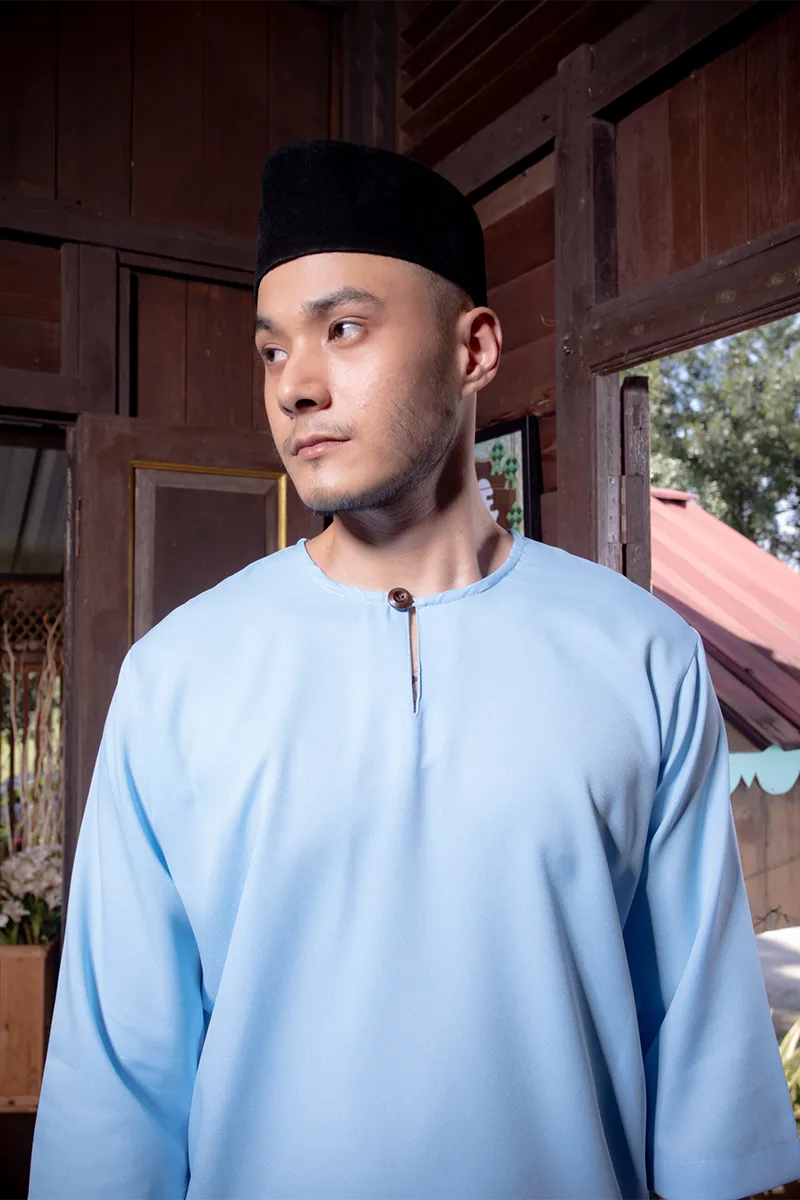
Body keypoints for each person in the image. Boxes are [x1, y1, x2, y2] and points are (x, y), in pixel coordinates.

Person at [29, 140, 800, 1200]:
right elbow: (114, 1089)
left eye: (342, 329)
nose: (296, 387)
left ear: (473, 348)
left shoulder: (639, 653)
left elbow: (702, 1050)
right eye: (271, 350)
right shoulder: (178, 674)